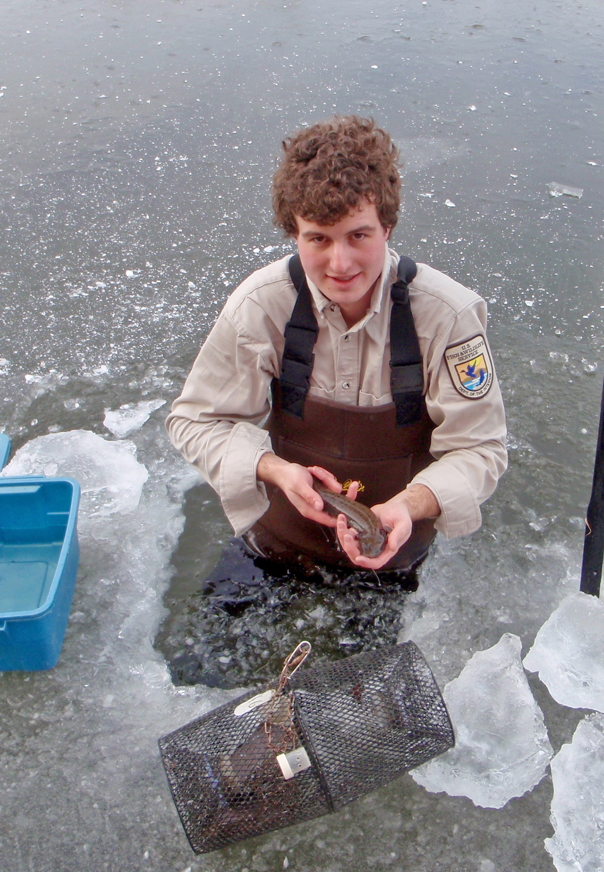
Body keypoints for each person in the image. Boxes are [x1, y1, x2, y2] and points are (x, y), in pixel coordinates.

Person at [166, 116, 507, 581]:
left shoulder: (448, 316)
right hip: (275, 543)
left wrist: (410, 505)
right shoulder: (261, 305)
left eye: (358, 235)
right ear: (294, 234)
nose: (340, 263)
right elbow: (195, 421)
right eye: (319, 239)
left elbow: (480, 450)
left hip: (391, 555)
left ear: (387, 226)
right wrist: (274, 470)